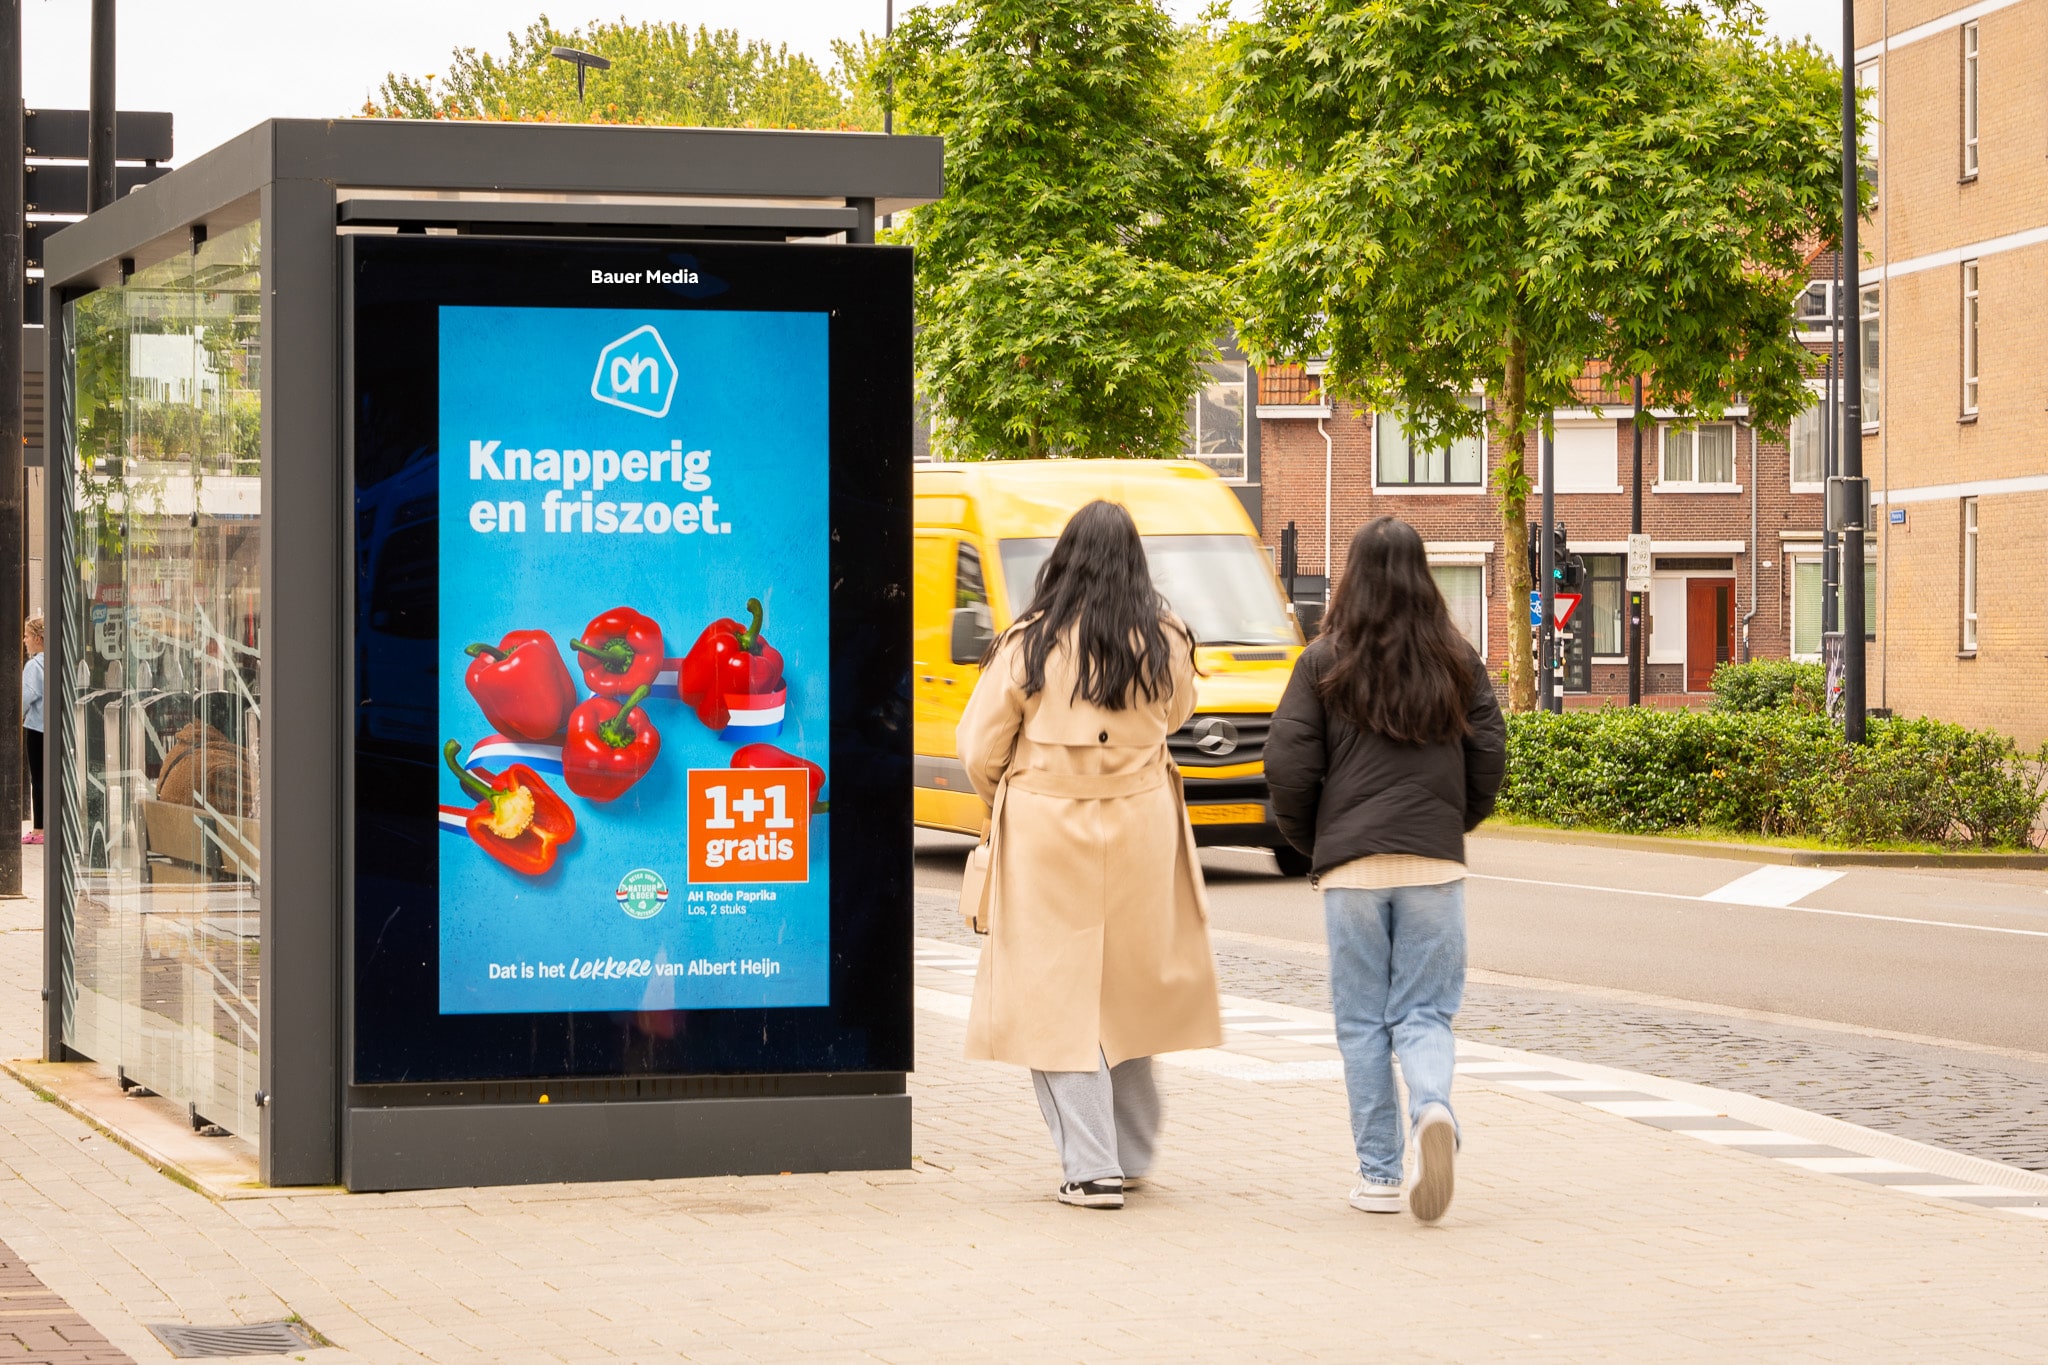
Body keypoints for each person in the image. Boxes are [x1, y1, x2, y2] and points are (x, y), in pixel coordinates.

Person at [957, 499, 1221, 1210]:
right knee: (1127, 990)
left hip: (1047, 830)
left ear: (1064, 560)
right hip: (1141, 824)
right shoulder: (1167, 637)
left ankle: (1091, 1167)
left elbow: (978, 748)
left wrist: (1010, 792)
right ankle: (1130, 1153)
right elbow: (1178, 714)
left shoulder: (1029, 642)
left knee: (1050, 998)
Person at [1265, 517, 1505, 1224]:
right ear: (1424, 576)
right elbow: (1490, 753)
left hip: (1352, 870)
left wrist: (1317, 842)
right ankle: (1432, 1107)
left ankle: (1378, 1175)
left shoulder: (1321, 661)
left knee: (1363, 1023)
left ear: (1352, 577)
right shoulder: (1456, 659)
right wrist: (1451, 824)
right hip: (1433, 863)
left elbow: (1288, 766)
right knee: (1425, 1011)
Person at [21, 614, 44, 846]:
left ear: (38, 638)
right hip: (55, 729)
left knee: (37, 778)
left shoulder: (34, 666)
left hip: (37, 728)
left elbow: (25, 698)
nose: (24, 640)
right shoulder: (58, 660)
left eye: (27, 636)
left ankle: (39, 829)